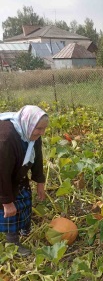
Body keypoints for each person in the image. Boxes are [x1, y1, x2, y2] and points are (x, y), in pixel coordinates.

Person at [0, 105, 49, 256]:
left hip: (15, 173)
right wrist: (7, 201)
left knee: (25, 199)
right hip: (1, 177)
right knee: (8, 211)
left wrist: (40, 182)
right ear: (29, 123)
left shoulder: (30, 133)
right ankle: (12, 243)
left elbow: (37, 157)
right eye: (39, 128)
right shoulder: (6, 139)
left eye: (44, 129)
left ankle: (22, 230)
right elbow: (1, 173)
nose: (42, 132)